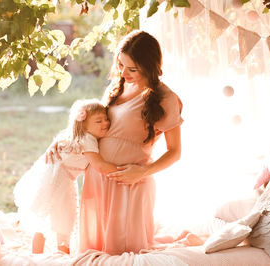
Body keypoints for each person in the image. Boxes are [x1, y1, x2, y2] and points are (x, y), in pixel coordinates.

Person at [48, 30, 184, 255]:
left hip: (129, 183)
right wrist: (64, 139)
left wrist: (142, 172)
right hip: (98, 180)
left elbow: (175, 151)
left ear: (150, 65)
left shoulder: (165, 98)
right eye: (120, 65)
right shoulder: (117, 87)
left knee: (124, 253)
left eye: (132, 69)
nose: (123, 72)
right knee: (95, 252)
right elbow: (95, 125)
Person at [13, 99, 116, 254]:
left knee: (48, 218)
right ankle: (60, 254)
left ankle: (38, 255)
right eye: (98, 121)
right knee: (62, 218)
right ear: (84, 124)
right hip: (58, 180)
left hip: (52, 177)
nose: (105, 123)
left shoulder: (72, 135)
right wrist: (123, 170)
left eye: (106, 119)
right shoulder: (88, 139)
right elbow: (99, 165)